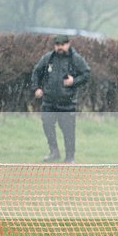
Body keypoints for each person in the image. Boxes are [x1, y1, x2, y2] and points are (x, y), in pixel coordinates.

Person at [31, 35, 90, 163]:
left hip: (67, 103)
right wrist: (37, 88)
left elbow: (86, 73)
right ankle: (54, 152)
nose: (60, 47)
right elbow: (36, 72)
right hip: (49, 102)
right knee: (47, 126)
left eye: (62, 44)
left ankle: (70, 157)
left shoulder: (75, 59)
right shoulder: (48, 58)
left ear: (68, 44)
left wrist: (74, 81)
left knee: (68, 131)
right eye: (57, 45)